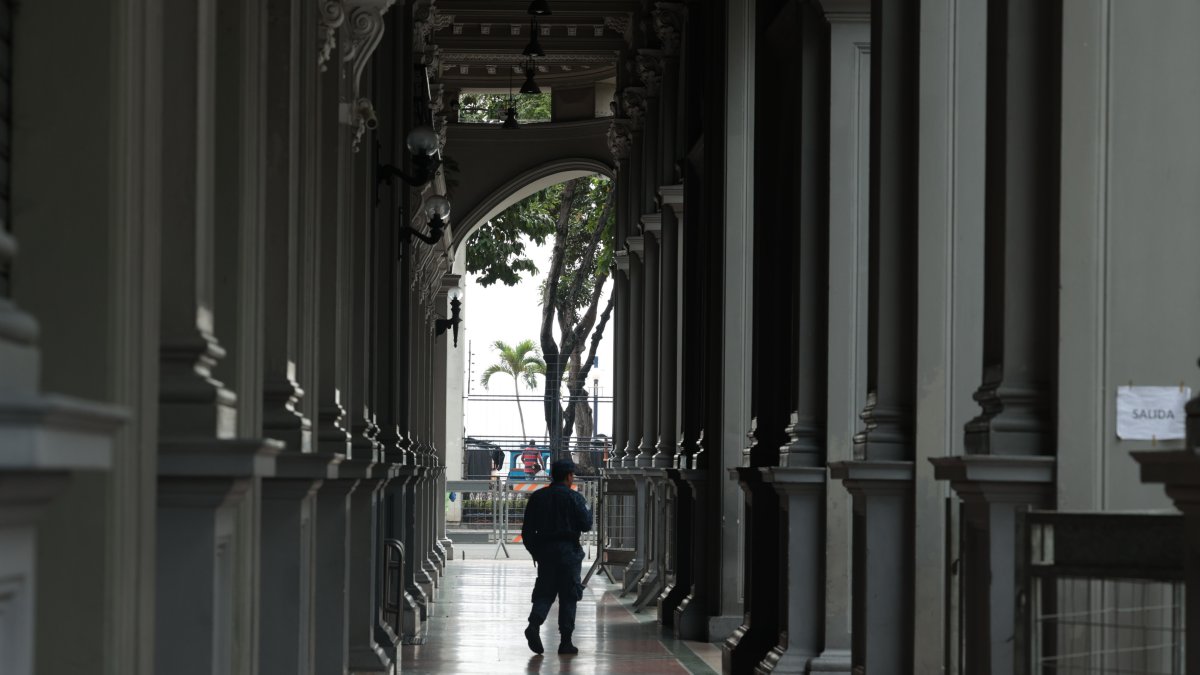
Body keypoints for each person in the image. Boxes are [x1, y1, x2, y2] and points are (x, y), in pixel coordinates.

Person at [520, 458, 593, 655]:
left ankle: (534, 625)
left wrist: (536, 552)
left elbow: (526, 531)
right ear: (569, 476)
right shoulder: (575, 498)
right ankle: (566, 641)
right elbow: (587, 524)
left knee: (545, 591)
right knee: (569, 595)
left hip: (546, 552)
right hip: (569, 552)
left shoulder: (538, 497)